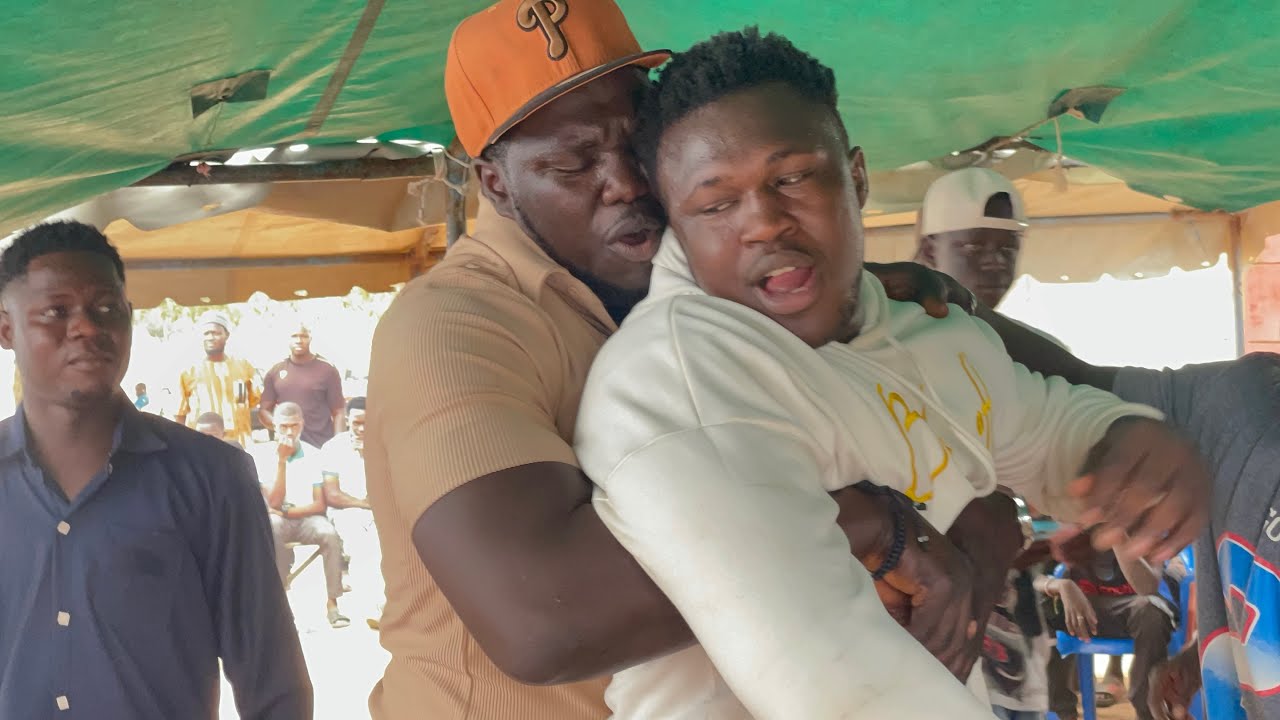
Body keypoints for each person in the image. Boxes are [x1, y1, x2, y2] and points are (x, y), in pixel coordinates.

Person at [367, 2, 1018, 718]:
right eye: (573, 164)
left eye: (634, 144)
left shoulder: (696, 280)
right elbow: (543, 620)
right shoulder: (454, 326)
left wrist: (860, 294)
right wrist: (871, 524)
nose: (625, 182)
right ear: (494, 182)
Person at [571, 27, 1211, 719]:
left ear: (857, 178)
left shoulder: (923, 331)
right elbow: (841, 691)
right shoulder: (677, 381)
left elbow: (1046, 425)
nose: (763, 223)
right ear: (677, 227)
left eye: (790, 178)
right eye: (715, 204)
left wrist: (1122, 442)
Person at [0, 220, 311, 719]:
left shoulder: (213, 477)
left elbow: (269, 676)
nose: (86, 327)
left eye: (107, 309)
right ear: (6, 329)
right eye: (56, 311)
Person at [1038, 544, 1173, 720]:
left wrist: (1118, 537)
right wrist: (1060, 584)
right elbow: (1031, 577)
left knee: (1152, 613)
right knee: (1040, 609)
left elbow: (1149, 587)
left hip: (1134, 608)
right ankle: (1060, 712)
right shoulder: (1070, 532)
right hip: (1082, 608)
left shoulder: (1143, 532)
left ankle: (1147, 711)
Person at [255, 401, 349, 629]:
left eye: (294, 426)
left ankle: (333, 604)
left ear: (302, 425)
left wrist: (288, 510)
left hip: (306, 517)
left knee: (328, 532)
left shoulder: (315, 455)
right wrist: (281, 461)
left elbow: (319, 505)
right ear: (273, 425)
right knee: (271, 526)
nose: (289, 432)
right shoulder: (259, 454)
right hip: (277, 520)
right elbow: (273, 501)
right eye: (283, 426)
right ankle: (277, 602)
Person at [915, 167, 1028, 309]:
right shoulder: (895, 327)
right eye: (974, 247)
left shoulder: (1000, 330)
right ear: (930, 251)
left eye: (1009, 248)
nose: (996, 262)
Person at [320, 397, 380, 625]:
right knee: (362, 542)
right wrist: (364, 505)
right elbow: (333, 495)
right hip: (347, 511)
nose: (362, 428)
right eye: (356, 423)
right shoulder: (333, 448)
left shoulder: (382, 444)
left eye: (367, 423)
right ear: (347, 420)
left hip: (378, 510)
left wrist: (367, 456)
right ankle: (371, 607)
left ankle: (384, 604)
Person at [176, 310, 259, 445]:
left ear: (227, 335)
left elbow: (250, 402)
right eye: (206, 333)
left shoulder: (243, 367)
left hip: (238, 444)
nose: (210, 337)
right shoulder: (189, 371)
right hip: (202, 446)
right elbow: (179, 414)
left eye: (216, 333)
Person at [260, 322, 345, 448]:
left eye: (303, 336)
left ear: (310, 338)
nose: (299, 340)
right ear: (287, 339)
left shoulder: (327, 369)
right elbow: (264, 411)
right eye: (294, 336)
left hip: (320, 444)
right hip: (289, 447)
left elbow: (339, 412)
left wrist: (338, 444)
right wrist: (282, 426)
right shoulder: (275, 371)